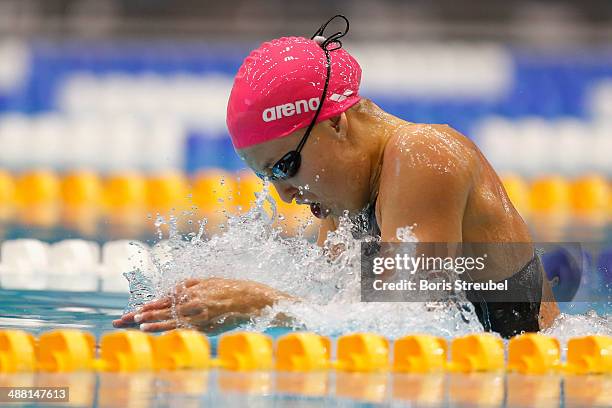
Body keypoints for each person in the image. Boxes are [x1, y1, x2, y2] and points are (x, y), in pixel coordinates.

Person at [113, 15, 559, 338]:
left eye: (286, 166)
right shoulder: (343, 204)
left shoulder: (422, 153)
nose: (287, 196)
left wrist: (261, 303)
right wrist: (210, 300)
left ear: (335, 123)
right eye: (269, 178)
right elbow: (343, 318)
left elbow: (406, 316)